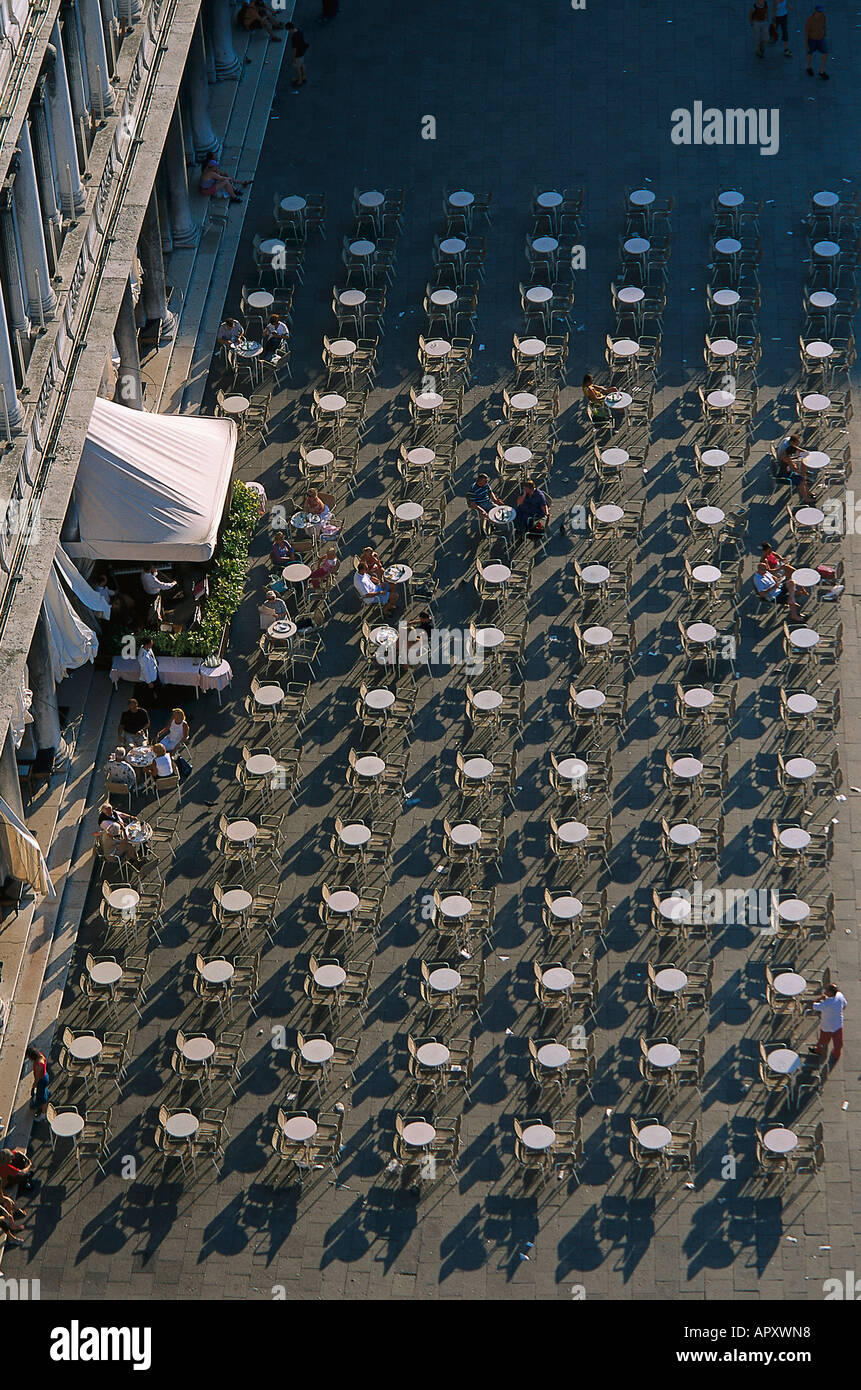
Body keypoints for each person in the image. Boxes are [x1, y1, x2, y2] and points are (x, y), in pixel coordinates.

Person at [813, 982, 846, 1061]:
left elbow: (814, 1006)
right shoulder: (840, 996)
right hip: (838, 1025)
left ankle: (818, 1050)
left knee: (822, 1040)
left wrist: (819, 998)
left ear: (830, 993)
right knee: (838, 1043)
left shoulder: (826, 1004)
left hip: (827, 1026)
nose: (824, 991)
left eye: (826, 990)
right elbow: (844, 1005)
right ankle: (836, 1054)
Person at [776, 434, 811, 502]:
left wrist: (802, 450)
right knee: (801, 481)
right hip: (783, 475)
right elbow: (795, 468)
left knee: (803, 478)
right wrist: (801, 473)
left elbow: (794, 447)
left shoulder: (788, 441)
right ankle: (806, 499)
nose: (798, 445)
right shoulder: (786, 457)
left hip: (785, 469)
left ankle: (808, 493)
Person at [25, 1045, 49, 1121]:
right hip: (45, 1076)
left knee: (42, 1099)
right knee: (43, 1093)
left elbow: (37, 1078)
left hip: (41, 1080)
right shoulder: (40, 1055)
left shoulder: (39, 1064)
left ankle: (43, 1114)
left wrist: (34, 1085)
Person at [805, 4, 828, 77]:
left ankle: (821, 71)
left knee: (825, 53)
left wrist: (825, 32)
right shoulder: (809, 20)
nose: (820, 13)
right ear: (815, 11)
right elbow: (806, 32)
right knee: (810, 53)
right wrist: (806, 44)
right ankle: (809, 67)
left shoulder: (823, 16)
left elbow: (824, 25)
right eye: (818, 11)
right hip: (812, 39)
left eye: (821, 12)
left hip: (820, 39)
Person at [286, 21, 309, 86]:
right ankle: (304, 76)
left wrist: (293, 58)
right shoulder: (299, 31)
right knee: (302, 64)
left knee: (297, 67)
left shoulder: (294, 37)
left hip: (298, 54)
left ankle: (300, 80)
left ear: (290, 29)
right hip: (302, 50)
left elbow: (294, 49)